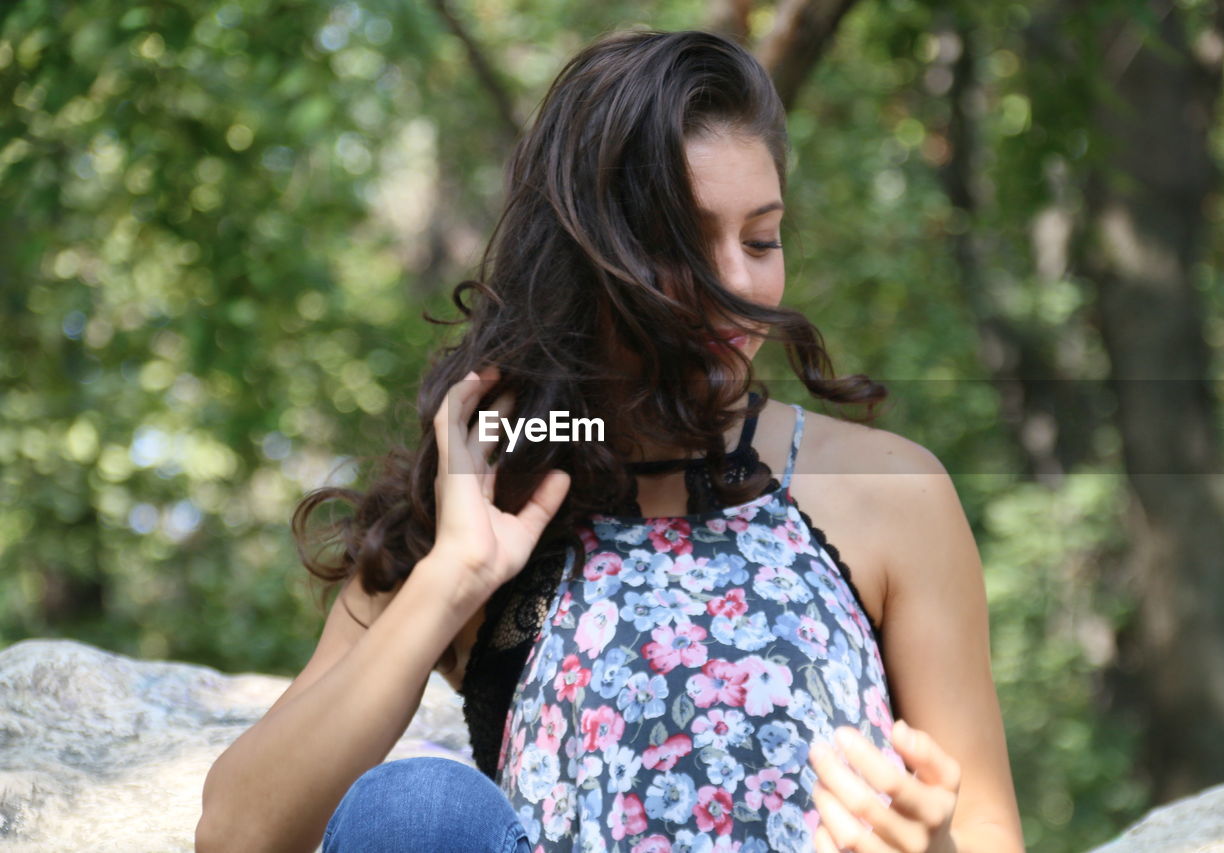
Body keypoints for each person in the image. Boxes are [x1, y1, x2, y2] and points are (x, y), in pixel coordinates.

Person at [196, 27, 1024, 853]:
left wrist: (932, 846)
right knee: (419, 810)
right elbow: (237, 834)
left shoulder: (892, 490)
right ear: (588, 257)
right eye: (684, 247)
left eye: (761, 239)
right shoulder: (492, 485)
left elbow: (987, 829)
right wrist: (452, 576)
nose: (738, 283)